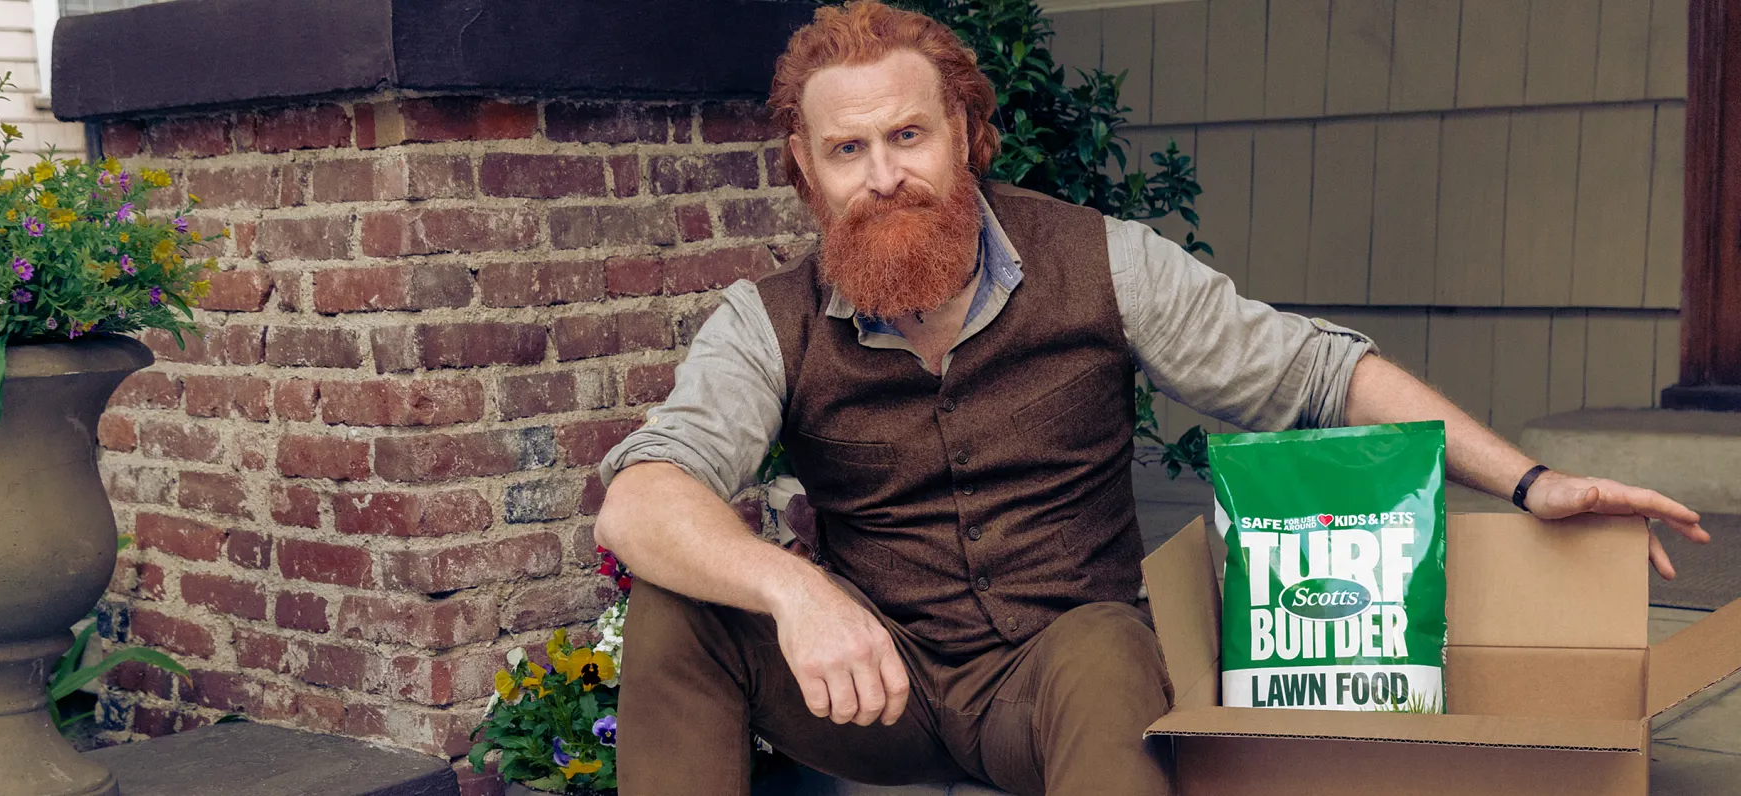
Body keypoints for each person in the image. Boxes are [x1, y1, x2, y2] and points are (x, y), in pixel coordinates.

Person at [590, 2, 1711, 794]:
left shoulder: (1103, 264)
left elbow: (1311, 369)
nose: (882, 175)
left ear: (968, 136)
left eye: (907, 135)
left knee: (1101, 647)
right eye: (846, 149)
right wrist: (797, 593)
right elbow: (639, 498)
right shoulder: (769, 320)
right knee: (683, 607)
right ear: (803, 167)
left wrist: (1531, 478)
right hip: (879, 688)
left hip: (1059, 683)